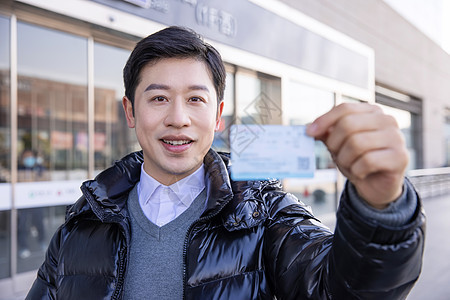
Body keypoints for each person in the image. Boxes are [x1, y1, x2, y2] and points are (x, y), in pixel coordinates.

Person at [26, 26, 425, 300]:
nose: (178, 117)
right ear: (130, 111)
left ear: (218, 116)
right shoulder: (81, 225)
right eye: (158, 98)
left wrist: (381, 207)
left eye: (195, 99)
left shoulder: (264, 214)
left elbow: (342, 289)